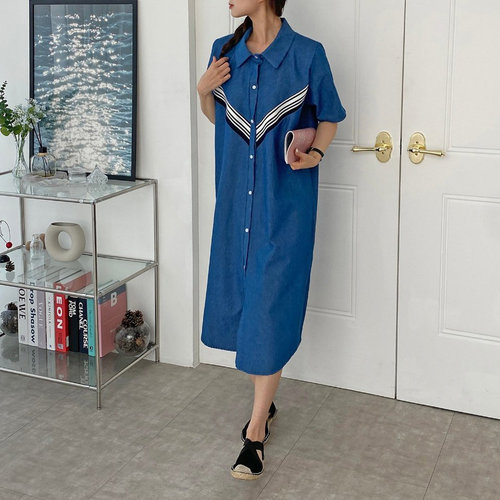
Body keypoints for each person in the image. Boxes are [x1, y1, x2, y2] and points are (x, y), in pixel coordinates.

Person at [197, 0, 346, 480]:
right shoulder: (224, 51)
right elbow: (220, 120)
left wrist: (316, 153)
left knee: (268, 311)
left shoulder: (307, 54)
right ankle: (267, 403)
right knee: (246, 306)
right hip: (235, 206)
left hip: (284, 210)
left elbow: (330, 116)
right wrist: (202, 91)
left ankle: (256, 431)